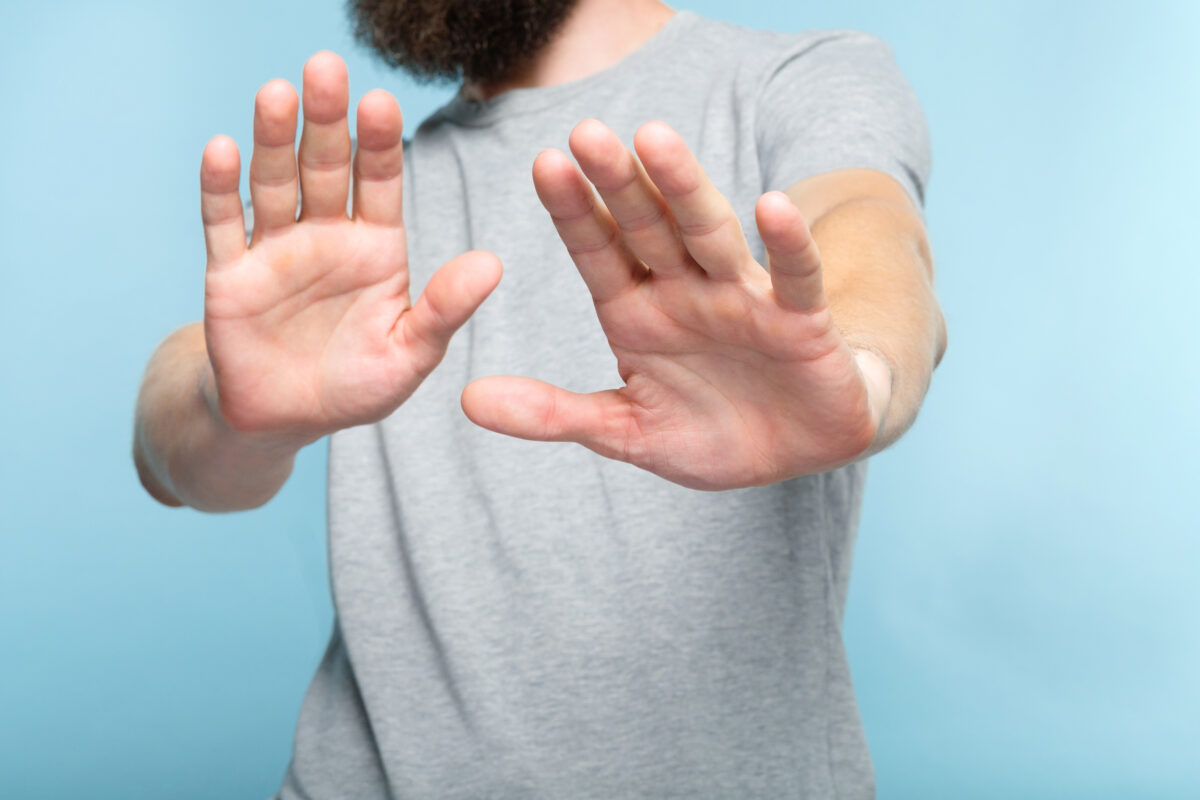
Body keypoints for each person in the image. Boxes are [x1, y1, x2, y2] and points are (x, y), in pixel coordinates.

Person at [132, 0, 947, 796]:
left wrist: (864, 373)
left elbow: (869, 228)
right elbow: (174, 441)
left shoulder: (790, 79)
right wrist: (232, 414)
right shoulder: (364, 212)